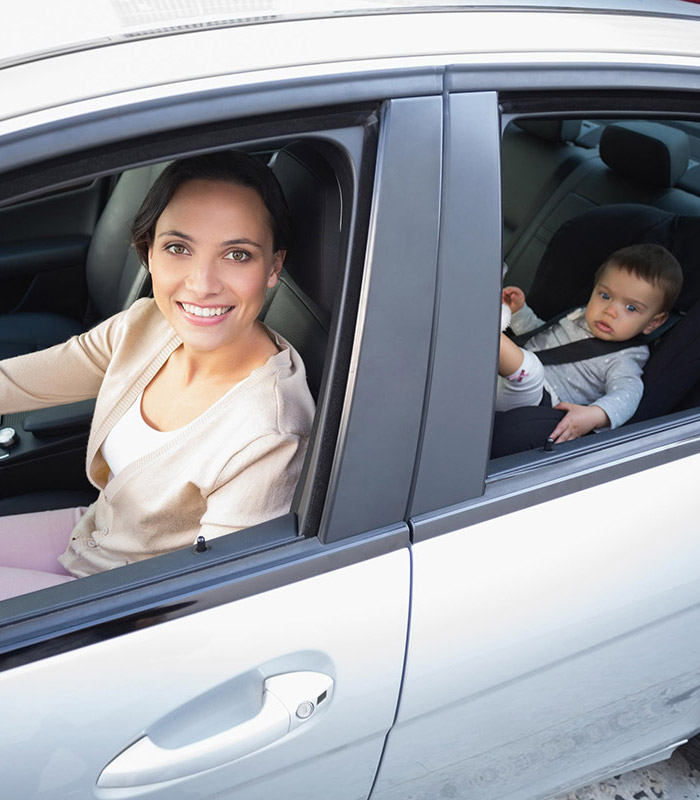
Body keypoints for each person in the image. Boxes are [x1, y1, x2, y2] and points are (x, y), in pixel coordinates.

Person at [0, 151, 315, 600]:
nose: (202, 283)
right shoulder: (147, 325)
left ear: (274, 268)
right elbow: (17, 381)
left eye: (237, 254)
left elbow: (205, 595)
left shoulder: (270, 433)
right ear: (148, 251)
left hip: (120, 602)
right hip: (91, 532)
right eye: (178, 248)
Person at [497, 243, 683, 443]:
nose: (610, 310)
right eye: (605, 296)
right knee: (522, 361)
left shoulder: (625, 357)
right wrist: (519, 312)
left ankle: (483, 329)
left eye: (630, 308)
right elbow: (542, 341)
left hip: (539, 401)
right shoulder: (580, 317)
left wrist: (595, 415)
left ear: (653, 323)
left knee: (529, 368)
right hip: (511, 377)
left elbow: (628, 394)